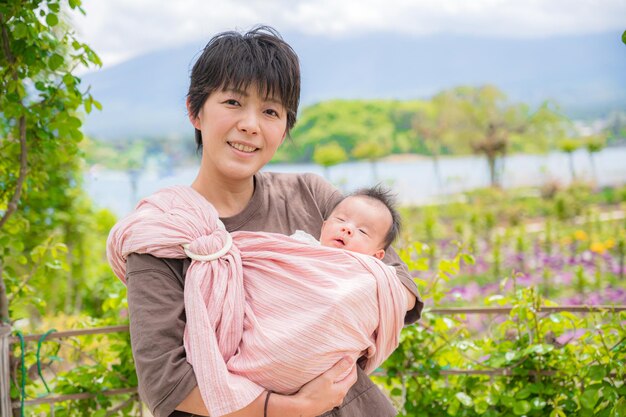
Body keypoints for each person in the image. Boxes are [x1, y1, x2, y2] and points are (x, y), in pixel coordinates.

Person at [117, 25, 423, 417]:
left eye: (271, 111)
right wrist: (296, 405)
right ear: (195, 111)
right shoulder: (162, 234)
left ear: (284, 128)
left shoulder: (310, 195)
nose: (250, 124)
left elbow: (398, 281)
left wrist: (323, 319)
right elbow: (165, 382)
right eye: (232, 102)